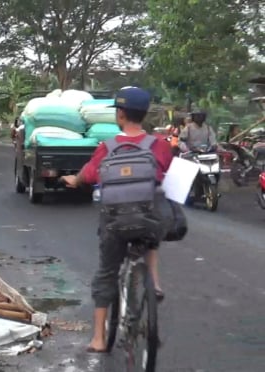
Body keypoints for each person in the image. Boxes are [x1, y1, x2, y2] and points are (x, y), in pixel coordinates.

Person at [60, 87, 173, 353]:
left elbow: (89, 175)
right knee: (155, 214)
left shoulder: (107, 148)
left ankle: (99, 339)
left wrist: (73, 180)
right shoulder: (160, 146)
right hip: (148, 220)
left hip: (115, 223)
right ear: (144, 114)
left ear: (120, 114)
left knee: (107, 272)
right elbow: (167, 173)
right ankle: (154, 280)